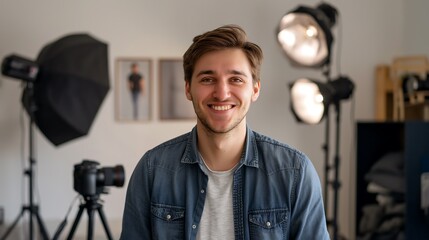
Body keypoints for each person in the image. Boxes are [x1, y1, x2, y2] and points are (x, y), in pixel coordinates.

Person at [120, 25, 330, 239]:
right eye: (207, 79)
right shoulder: (152, 170)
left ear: (255, 89)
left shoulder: (295, 172)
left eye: (236, 79)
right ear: (187, 89)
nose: (221, 93)